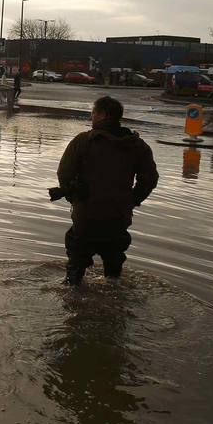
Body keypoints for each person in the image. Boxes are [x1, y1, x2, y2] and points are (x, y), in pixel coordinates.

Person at [55, 95, 159, 285]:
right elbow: (150, 179)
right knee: (113, 263)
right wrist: (132, 200)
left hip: (87, 214)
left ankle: (73, 292)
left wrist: (74, 197)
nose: (91, 117)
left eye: (93, 113)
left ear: (103, 115)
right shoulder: (136, 145)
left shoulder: (83, 141)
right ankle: (113, 289)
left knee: (76, 263)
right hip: (118, 215)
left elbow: (64, 173)